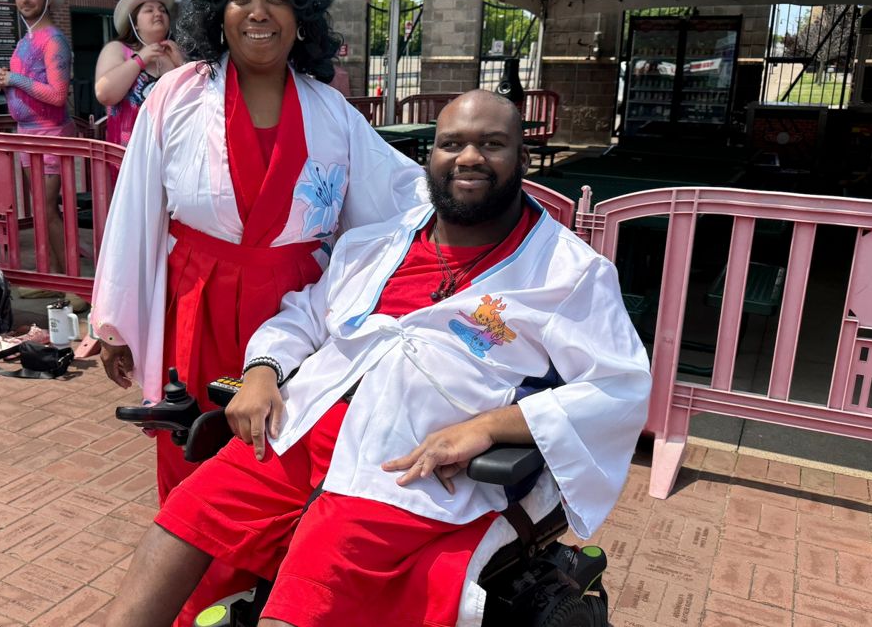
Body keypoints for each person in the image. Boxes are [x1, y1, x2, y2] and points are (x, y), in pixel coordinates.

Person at [104, 90, 652, 627]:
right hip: (298, 432)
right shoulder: (378, 243)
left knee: (297, 606)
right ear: (431, 157)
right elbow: (303, 314)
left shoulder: (569, 272)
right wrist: (262, 371)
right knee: (182, 520)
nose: (468, 157)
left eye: (491, 144)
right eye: (452, 143)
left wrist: (489, 426)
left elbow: (619, 388)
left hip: (403, 470)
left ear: (522, 158)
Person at [90, 0, 427, 624]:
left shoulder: (332, 111)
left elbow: (399, 201)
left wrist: (494, 210)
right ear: (218, 10)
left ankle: (251, 608)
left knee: (276, 470)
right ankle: (188, 610)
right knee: (195, 469)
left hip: (296, 316)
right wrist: (116, 323)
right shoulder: (176, 95)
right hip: (197, 309)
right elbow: (135, 211)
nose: (258, 12)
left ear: (302, 15)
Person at [0, 0, 74, 277]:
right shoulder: (26, 40)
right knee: (41, 210)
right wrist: (5, 81)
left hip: (50, 135)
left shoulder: (53, 40)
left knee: (46, 209)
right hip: (28, 135)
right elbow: (26, 84)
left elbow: (58, 95)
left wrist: (13, 79)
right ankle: (53, 275)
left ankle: (72, 281)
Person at [95, 0, 186, 146]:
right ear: (135, 23)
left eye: (162, 10)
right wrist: (140, 59)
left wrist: (182, 64)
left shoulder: (177, 53)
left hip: (172, 148)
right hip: (127, 151)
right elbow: (105, 94)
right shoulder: (117, 49)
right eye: (149, 10)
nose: (158, 14)